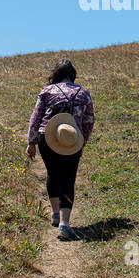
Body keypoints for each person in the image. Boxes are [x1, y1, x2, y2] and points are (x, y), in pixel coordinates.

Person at [26, 58, 95, 240]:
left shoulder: (47, 91)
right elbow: (89, 121)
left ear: (55, 74)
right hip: (71, 139)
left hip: (46, 137)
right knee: (68, 178)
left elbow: (36, 117)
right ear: (73, 76)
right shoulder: (84, 93)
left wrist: (31, 142)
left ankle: (55, 214)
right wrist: (82, 141)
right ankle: (64, 225)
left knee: (52, 173)